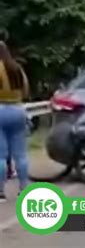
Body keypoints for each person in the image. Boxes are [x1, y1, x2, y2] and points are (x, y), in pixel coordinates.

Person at [0, 38, 30, 202]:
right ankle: (24, 188)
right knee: (21, 154)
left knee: (1, 156)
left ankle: (1, 192)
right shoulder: (17, 68)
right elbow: (25, 91)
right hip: (18, 110)